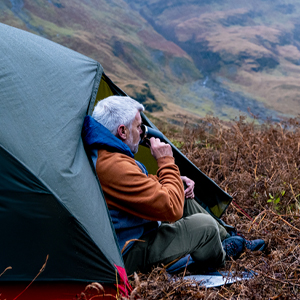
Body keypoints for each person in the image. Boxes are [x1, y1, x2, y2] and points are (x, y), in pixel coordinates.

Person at [82, 95, 265, 275]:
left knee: (184, 197)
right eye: (138, 127)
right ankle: (222, 256)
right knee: (205, 227)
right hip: (128, 252)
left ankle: (230, 240)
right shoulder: (112, 165)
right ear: (122, 131)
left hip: (137, 231)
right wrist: (166, 161)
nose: (142, 132)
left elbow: (137, 182)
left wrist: (173, 180)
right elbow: (171, 208)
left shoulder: (106, 151)